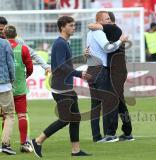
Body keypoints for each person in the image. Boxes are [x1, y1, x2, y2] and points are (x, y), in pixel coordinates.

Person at [30, 16, 91, 158]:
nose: (73, 27)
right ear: (62, 27)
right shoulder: (60, 43)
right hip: (62, 89)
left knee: (75, 118)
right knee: (65, 119)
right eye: (71, 25)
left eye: (74, 25)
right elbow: (61, 66)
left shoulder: (64, 43)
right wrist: (79, 74)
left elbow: (65, 64)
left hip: (66, 87)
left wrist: (82, 57)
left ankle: (75, 150)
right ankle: (37, 141)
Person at [88, 11, 134, 141]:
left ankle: (111, 133)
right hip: (115, 70)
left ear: (111, 22)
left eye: (108, 19)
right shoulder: (110, 32)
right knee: (119, 102)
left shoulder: (113, 28)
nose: (108, 22)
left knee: (114, 101)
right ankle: (127, 131)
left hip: (116, 71)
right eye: (106, 19)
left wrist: (96, 24)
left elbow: (92, 26)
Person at [4, 25, 33, 153]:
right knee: (22, 115)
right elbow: (30, 67)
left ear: (4, 35)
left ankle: (6, 143)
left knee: (6, 116)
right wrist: (25, 76)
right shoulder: (23, 48)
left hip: (5, 87)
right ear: (16, 35)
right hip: (20, 87)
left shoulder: (2, 47)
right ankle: (24, 143)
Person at [0, 37, 16, 155]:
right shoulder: (4, 43)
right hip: (3, 85)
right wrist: (12, 79)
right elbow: (10, 63)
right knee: (9, 115)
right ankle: (5, 144)